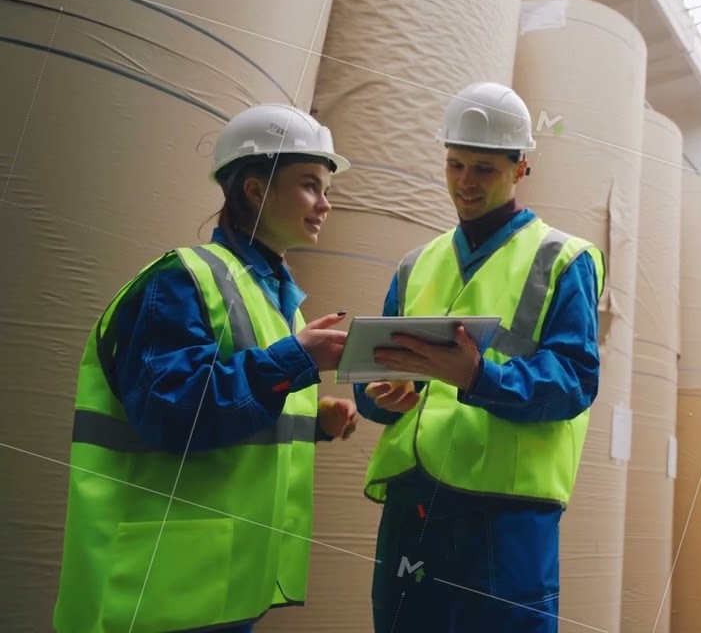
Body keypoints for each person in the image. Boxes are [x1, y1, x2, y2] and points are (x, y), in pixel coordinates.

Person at [53, 104, 360, 633]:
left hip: (218, 588)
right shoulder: (181, 280)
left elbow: (239, 416)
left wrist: (316, 423)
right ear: (256, 191)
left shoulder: (281, 304)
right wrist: (293, 361)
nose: (325, 204)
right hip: (154, 591)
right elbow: (170, 414)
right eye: (310, 185)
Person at [355, 82, 606, 632]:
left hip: (504, 513)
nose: (465, 183)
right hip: (414, 501)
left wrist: (478, 377)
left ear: (521, 169)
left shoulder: (562, 259)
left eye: (484, 169)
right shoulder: (415, 264)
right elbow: (371, 381)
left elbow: (575, 380)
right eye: (455, 164)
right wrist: (383, 397)